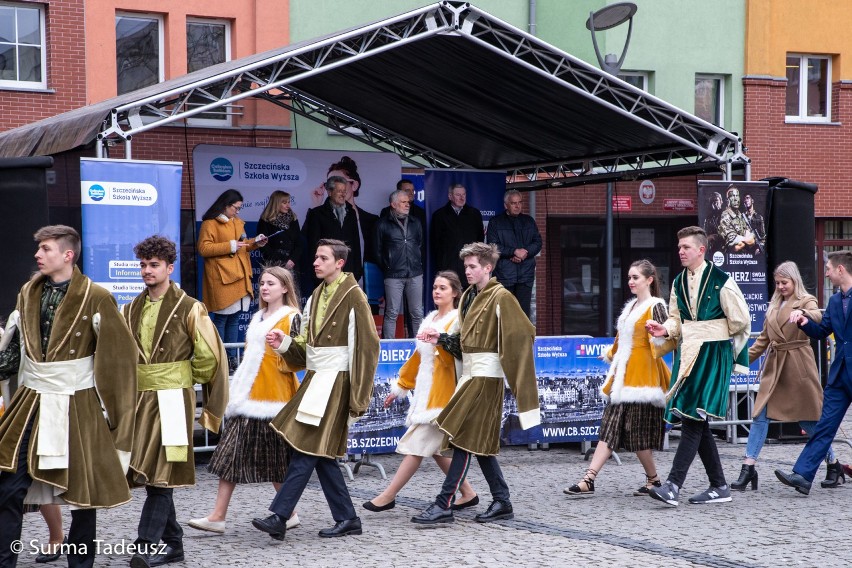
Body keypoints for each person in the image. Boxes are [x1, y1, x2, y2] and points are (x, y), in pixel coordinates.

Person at [0, 225, 137, 568]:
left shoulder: (98, 296)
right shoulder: (27, 293)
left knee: (83, 497)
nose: (37, 255)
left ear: (67, 254)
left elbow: (118, 363)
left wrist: (120, 425)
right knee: (8, 488)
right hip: (30, 403)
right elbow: (14, 354)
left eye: (45, 249)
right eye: (39, 249)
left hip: (78, 404)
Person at [252, 239, 379, 540]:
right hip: (317, 380)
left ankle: (280, 516)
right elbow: (306, 345)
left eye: (323, 258)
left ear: (340, 263)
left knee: (306, 448)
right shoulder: (315, 296)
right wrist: (284, 342)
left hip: (337, 382)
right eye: (316, 257)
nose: (316, 262)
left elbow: (366, 349)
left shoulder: (355, 296)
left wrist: (357, 399)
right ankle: (347, 518)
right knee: (319, 453)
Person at [410, 242, 540, 525]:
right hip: (471, 375)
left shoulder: (501, 296)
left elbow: (524, 334)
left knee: (462, 439)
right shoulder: (470, 296)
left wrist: (511, 371)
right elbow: (465, 343)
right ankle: (502, 500)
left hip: (486, 377)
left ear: (487, 268)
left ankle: (443, 503)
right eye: (466, 266)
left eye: (472, 267)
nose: (467, 271)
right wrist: (442, 340)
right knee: (474, 441)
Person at [121, 236, 229, 567]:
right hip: (141, 401)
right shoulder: (130, 308)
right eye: (143, 265)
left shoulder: (190, 307)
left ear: (170, 268)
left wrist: (180, 378)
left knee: (161, 473)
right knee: (154, 473)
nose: (147, 271)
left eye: (154, 265)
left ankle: (145, 545)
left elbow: (209, 354)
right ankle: (174, 543)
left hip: (172, 400)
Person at [189, 266, 304, 533]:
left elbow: (299, 360)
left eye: (271, 283)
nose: (264, 287)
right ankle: (219, 516)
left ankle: (288, 513)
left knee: (273, 460)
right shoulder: (258, 316)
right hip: (248, 397)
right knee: (232, 455)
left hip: (273, 398)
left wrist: (282, 346)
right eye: (262, 282)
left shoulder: (292, 317)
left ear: (285, 288)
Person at [645, 226, 750, 507]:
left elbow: (741, 319)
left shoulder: (722, 280)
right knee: (697, 420)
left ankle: (672, 485)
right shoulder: (679, 281)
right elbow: (676, 320)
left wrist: (709, 331)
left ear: (701, 250)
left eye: (686, 247)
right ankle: (719, 485)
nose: (681, 251)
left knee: (693, 418)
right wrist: (663, 330)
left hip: (713, 355)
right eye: (679, 247)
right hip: (688, 354)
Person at [363, 271, 477, 512]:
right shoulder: (431, 319)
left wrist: (440, 342)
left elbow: (459, 356)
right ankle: (468, 492)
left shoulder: (458, 320)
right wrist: (401, 386)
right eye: (435, 287)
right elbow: (417, 358)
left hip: (444, 394)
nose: (437, 291)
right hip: (427, 395)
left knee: (417, 446)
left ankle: (388, 495)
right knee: (434, 450)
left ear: (455, 293)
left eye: (443, 288)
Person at [564, 260, 674, 497]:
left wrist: (656, 337)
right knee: (610, 428)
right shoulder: (632, 306)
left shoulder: (656, 306)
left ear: (649, 280)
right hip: (623, 377)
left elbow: (666, 338)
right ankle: (588, 479)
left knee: (638, 435)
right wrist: (611, 355)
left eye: (635, 277)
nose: (631, 282)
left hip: (642, 378)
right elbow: (621, 339)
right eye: (629, 278)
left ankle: (653, 480)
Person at [732, 261, 842, 492]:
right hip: (775, 370)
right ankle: (748, 467)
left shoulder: (805, 300)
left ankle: (833, 463)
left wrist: (801, 313)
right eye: (778, 282)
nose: (781, 286)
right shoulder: (773, 305)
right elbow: (762, 340)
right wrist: (737, 363)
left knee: (809, 422)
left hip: (798, 368)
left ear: (794, 281)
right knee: (760, 416)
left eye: (785, 282)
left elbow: (818, 316)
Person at [776, 250, 852, 495]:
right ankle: (803, 475)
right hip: (839, 374)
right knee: (825, 425)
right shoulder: (833, 301)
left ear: (841, 269)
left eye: (829, 268)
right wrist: (803, 322)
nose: (826, 273)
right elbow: (822, 332)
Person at [198, 189, 267, 369]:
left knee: (235, 318)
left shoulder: (237, 222)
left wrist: (255, 242)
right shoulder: (210, 223)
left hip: (239, 276)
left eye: (239, 208)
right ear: (225, 205)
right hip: (223, 277)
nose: (238, 211)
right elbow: (204, 249)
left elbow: (243, 245)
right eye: (235, 207)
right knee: (221, 319)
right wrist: (230, 246)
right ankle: (220, 358)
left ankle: (232, 358)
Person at [374, 188, 424, 339]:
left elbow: (419, 244)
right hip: (393, 275)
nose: (407, 204)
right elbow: (377, 251)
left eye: (408, 202)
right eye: (403, 202)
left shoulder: (416, 222)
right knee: (392, 312)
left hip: (415, 273)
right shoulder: (382, 224)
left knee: (417, 313)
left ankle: (420, 346)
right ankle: (388, 347)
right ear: (393, 204)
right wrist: (388, 267)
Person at [486, 189, 542, 318]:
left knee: (523, 316)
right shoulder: (496, 222)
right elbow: (492, 246)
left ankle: (523, 339)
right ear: (506, 205)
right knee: (504, 315)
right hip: (504, 276)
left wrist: (525, 253)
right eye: (513, 203)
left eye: (519, 202)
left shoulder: (529, 221)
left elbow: (538, 242)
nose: (517, 206)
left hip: (525, 276)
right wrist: (514, 252)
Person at [302, 177, 365, 283]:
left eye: (344, 191)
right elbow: (313, 245)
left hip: (347, 271)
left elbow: (356, 243)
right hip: (325, 271)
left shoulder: (351, 213)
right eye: (339, 191)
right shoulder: (317, 214)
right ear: (330, 192)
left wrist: (357, 271)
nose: (343, 194)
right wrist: (316, 272)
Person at [430, 184, 484, 279]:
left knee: (469, 293)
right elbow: (435, 243)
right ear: (450, 196)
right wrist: (442, 265)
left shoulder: (474, 214)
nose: (462, 198)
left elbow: (480, 239)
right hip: (448, 267)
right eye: (458, 195)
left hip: (470, 265)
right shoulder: (439, 215)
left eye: (464, 194)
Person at [257, 190, 303, 272]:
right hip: (273, 265)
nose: (288, 206)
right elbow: (263, 246)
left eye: (289, 202)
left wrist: (292, 260)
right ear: (276, 203)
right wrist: (281, 261)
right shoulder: (265, 221)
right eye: (284, 203)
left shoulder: (293, 219)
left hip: (291, 265)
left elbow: (299, 243)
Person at [717, 185, 758, 254]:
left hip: (745, 258)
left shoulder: (740, 215)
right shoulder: (725, 216)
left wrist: (743, 240)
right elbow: (735, 247)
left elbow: (752, 240)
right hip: (730, 259)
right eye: (732, 196)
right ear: (727, 200)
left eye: (737, 196)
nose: (735, 199)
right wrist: (747, 240)